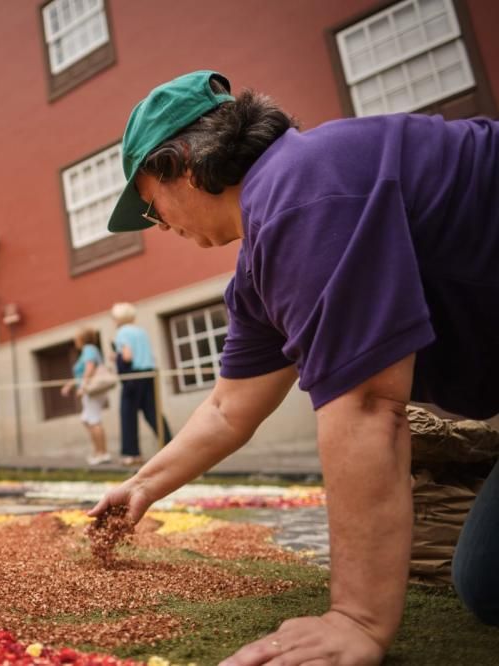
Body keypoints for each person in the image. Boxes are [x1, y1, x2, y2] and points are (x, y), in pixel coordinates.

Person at [88, 69, 499, 665]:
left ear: (178, 163)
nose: (163, 228)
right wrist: (141, 486)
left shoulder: (301, 190)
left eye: (152, 208)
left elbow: (367, 404)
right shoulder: (262, 253)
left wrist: (356, 619)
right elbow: (229, 408)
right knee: (485, 580)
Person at [110, 302, 171, 465]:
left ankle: (132, 454)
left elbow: (127, 356)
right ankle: (170, 447)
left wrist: (116, 357)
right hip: (149, 373)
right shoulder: (141, 331)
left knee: (128, 414)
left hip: (132, 376)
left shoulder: (122, 332)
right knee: (153, 412)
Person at [60, 328, 110, 466]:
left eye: (77, 337)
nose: (75, 340)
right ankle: (98, 452)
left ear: (82, 338)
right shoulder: (89, 350)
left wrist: (83, 387)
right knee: (87, 419)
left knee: (93, 419)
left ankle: (102, 453)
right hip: (89, 389)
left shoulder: (88, 349)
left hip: (91, 390)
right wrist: (70, 385)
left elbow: (89, 368)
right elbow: (82, 373)